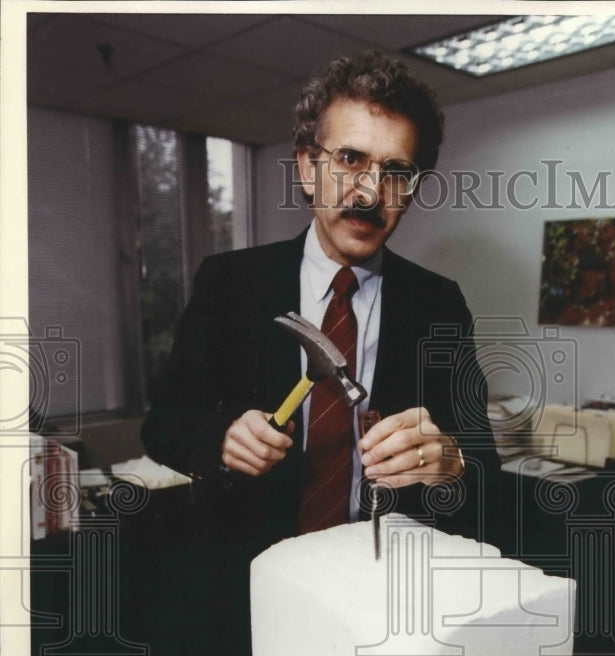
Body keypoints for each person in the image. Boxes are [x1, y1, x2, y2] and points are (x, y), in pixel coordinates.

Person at [141, 50, 502, 554]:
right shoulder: (230, 281)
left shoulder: (438, 303)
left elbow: (483, 459)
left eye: (396, 171)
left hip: (380, 573)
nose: (371, 193)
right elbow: (163, 425)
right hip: (247, 574)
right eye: (351, 159)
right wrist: (220, 440)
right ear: (309, 167)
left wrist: (451, 459)